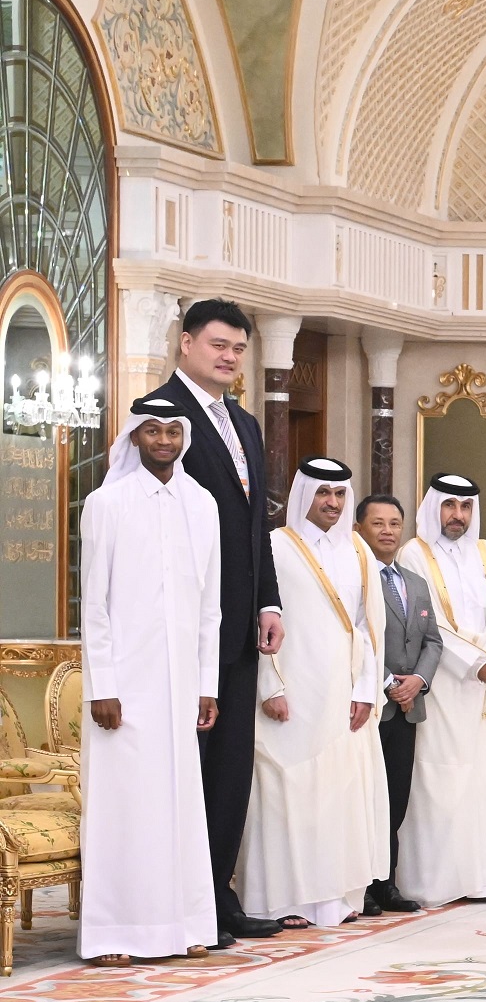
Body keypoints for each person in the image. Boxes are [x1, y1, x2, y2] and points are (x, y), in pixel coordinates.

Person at [151, 300, 283, 944]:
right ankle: (181, 901)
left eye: (238, 349)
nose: (229, 357)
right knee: (188, 766)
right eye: (218, 345)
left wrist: (269, 602)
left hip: (239, 631)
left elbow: (255, 525)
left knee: (231, 768)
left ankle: (217, 896)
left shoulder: (246, 423)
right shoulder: (160, 419)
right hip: (184, 632)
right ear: (186, 344)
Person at [76, 395, 221, 966]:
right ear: (135, 436)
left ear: (184, 438)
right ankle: (113, 934)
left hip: (181, 684)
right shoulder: (106, 503)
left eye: (173, 431)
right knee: (124, 807)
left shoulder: (202, 503)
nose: (164, 440)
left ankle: (184, 926)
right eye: (153, 430)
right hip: (124, 687)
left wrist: (207, 683)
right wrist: (102, 686)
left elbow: (209, 606)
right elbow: (94, 606)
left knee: (180, 805)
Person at [241, 457, 388, 930]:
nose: (332, 502)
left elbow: (369, 627)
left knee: (339, 795)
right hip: (292, 693)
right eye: (323, 493)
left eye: (340, 494)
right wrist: (270, 686)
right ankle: (280, 901)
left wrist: (366, 689)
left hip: (344, 694)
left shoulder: (358, 550)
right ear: (304, 494)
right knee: (286, 794)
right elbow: (260, 623)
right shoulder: (276, 546)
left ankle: (336, 898)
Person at [397, 473, 486, 907]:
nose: (458, 515)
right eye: (450, 506)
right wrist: (474, 660)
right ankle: (435, 882)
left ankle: (485, 878)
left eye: (466, 506)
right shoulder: (414, 553)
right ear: (434, 507)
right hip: (441, 687)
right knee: (442, 781)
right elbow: (428, 622)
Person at [357, 494, 437, 916]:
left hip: (408, 709)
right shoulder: (355, 576)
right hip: (369, 706)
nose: (387, 531)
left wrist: (418, 681)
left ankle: (386, 883)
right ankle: (362, 886)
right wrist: (389, 682)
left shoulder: (416, 583)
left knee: (396, 797)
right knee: (364, 798)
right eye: (378, 523)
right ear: (359, 529)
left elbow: (432, 641)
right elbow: (359, 638)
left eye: (394, 523)